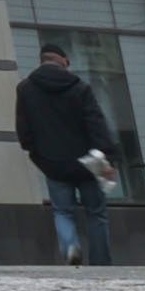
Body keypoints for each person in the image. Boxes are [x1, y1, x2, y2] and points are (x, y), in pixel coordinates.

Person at [17, 41, 121, 264]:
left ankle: (71, 247)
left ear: (42, 60)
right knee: (96, 214)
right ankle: (101, 263)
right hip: (88, 163)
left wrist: (37, 154)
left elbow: (24, 131)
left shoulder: (25, 89)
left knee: (63, 212)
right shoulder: (80, 87)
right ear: (63, 61)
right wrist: (106, 157)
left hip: (53, 163)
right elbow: (96, 124)